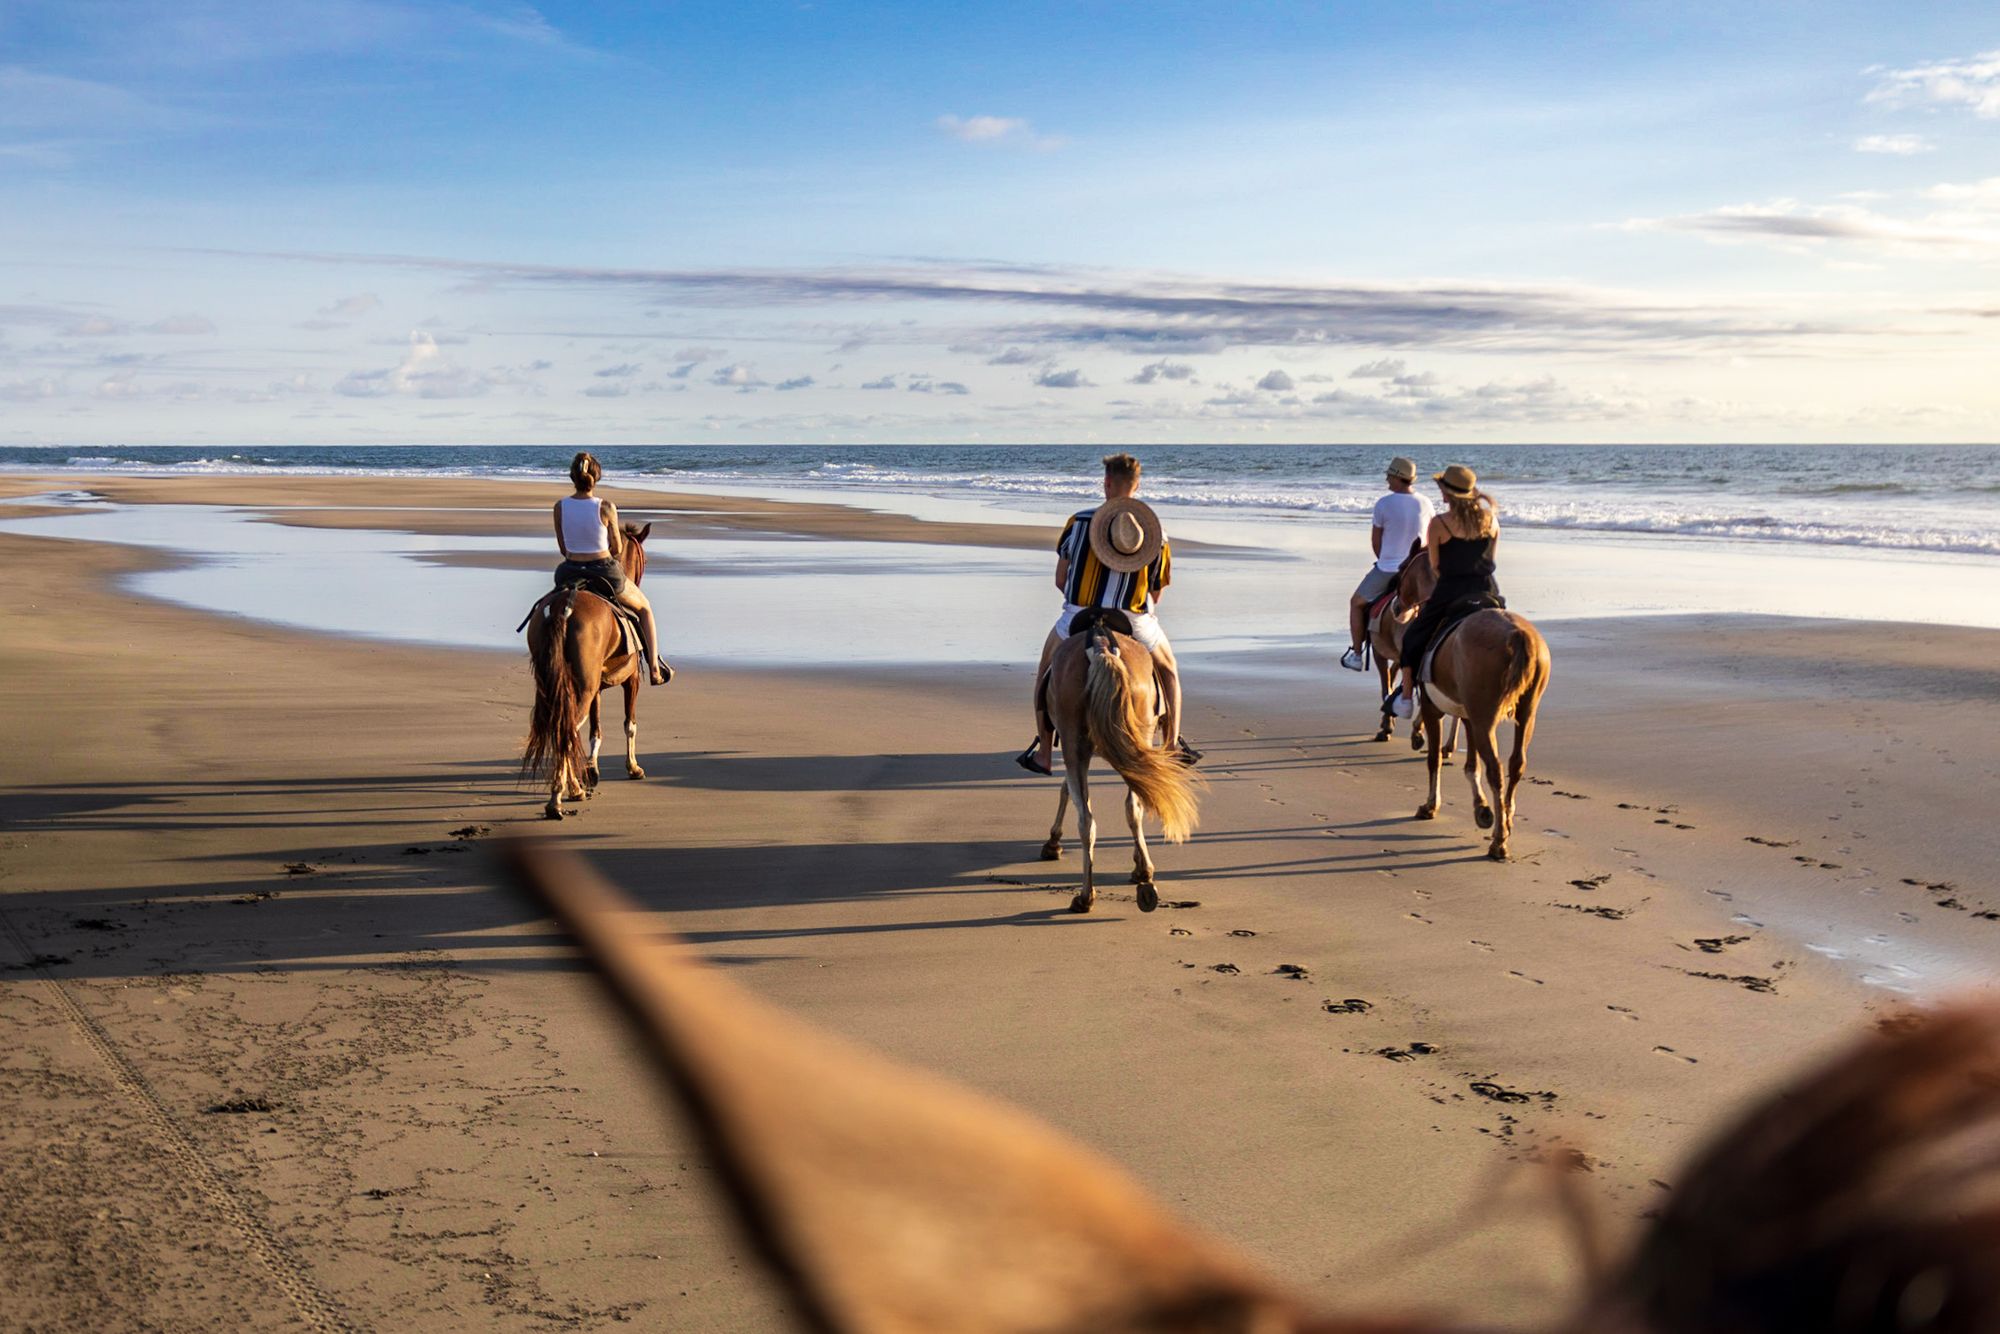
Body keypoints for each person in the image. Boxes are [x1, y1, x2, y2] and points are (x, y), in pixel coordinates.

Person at [1016, 452, 1196, 775]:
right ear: (1137, 486)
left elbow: (1060, 580)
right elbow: (1157, 592)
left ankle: (1044, 751)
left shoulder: (1079, 522)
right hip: (1135, 622)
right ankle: (1170, 747)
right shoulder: (1156, 534)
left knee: (1045, 670)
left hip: (1078, 615)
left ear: (1107, 483)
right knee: (1169, 671)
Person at [1390, 463, 1502, 718]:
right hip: (1488, 590)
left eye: (1442, 489)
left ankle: (1406, 699)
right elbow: (1490, 560)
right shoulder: (1491, 520)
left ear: (1448, 493)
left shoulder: (1440, 523)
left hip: (1451, 590)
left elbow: (1435, 566)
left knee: (1413, 638)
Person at [554, 451, 670, 686]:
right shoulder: (606, 507)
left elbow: (563, 548)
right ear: (595, 478)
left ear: (572, 477)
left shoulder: (560, 507)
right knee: (645, 609)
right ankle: (655, 668)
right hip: (603, 571)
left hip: (569, 571)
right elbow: (617, 547)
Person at [1339, 456, 1432, 672]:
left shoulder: (1384, 504)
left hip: (1389, 568)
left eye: (1389, 476)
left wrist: (1384, 559)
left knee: (1356, 602)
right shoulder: (1425, 502)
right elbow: (1428, 538)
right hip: (1418, 570)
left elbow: (1376, 540)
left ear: (1398, 478)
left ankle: (1356, 653)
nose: (1387, 480)